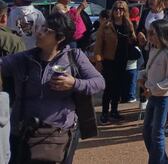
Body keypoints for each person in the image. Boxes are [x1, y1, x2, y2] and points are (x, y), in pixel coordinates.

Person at [0, 12, 105, 164]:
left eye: (46, 30)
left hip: (58, 134)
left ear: (60, 38)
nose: (39, 32)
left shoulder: (74, 56)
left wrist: (74, 83)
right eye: (41, 27)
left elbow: (99, 82)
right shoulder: (25, 58)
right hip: (25, 133)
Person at [94, 0, 136, 123]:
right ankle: (105, 113)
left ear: (125, 11)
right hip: (109, 60)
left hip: (122, 60)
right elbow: (98, 44)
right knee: (108, 87)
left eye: (121, 9)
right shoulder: (106, 25)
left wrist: (137, 39)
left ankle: (114, 111)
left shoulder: (128, 24)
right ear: (112, 10)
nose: (118, 11)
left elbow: (132, 40)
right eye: (116, 8)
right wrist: (98, 60)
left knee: (118, 87)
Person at [139, 18, 168, 164]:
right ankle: (161, 160)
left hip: (162, 97)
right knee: (147, 130)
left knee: (157, 133)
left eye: (152, 33)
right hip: (152, 95)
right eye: (149, 33)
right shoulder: (154, 50)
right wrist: (141, 77)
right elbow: (149, 70)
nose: (149, 36)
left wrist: (153, 89)